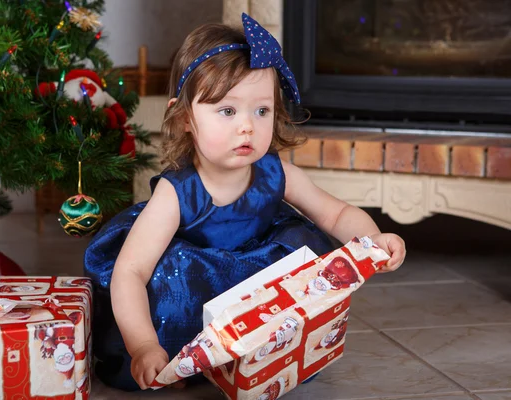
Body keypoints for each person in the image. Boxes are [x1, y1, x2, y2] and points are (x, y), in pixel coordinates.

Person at [84, 13, 406, 392]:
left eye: (261, 110)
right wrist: (143, 344)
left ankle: (270, 355)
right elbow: (130, 272)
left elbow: (335, 212)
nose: (247, 126)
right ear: (186, 117)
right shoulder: (178, 191)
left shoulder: (275, 173)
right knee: (168, 285)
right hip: (195, 284)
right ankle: (181, 362)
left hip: (255, 279)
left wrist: (372, 241)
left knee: (304, 259)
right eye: (227, 111)